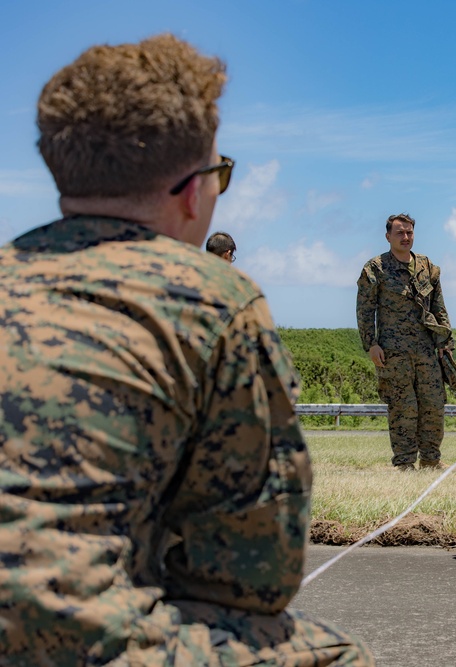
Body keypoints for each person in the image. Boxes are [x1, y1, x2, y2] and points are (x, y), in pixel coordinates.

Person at [0, 34, 371, 665]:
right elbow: (252, 575)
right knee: (331, 654)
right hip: (69, 644)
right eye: (220, 174)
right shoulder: (214, 299)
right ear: (193, 188)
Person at [357, 213, 453, 471]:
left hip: (426, 350)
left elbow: (439, 307)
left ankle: (431, 459)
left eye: (409, 232)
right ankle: (404, 463)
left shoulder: (428, 266)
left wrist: (445, 341)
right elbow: (365, 310)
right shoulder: (375, 268)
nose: (405, 237)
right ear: (388, 236)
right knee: (402, 407)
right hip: (393, 352)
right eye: (399, 232)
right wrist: (371, 344)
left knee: (433, 405)